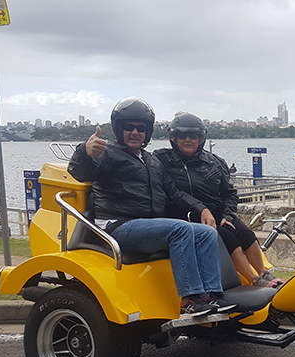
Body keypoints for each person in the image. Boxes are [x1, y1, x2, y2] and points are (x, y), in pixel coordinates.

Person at [67, 98, 235, 316]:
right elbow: (79, 172)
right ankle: (189, 301)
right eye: (129, 128)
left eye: (141, 128)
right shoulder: (107, 153)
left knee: (205, 233)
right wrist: (85, 151)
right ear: (119, 129)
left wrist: (202, 209)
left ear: (148, 132)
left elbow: (174, 193)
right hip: (118, 225)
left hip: (146, 225)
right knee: (180, 229)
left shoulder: (152, 160)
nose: (135, 132)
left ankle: (211, 295)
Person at [154, 112, 282, 288]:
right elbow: (172, 193)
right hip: (188, 213)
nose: (188, 139)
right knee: (227, 235)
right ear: (173, 138)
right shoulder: (162, 160)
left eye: (193, 136)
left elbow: (229, 193)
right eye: (182, 135)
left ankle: (264, 273)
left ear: (201, 139)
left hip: (217, 211)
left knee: (244, 233)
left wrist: (227, 216)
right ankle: (253, 278)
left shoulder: (215, 162)